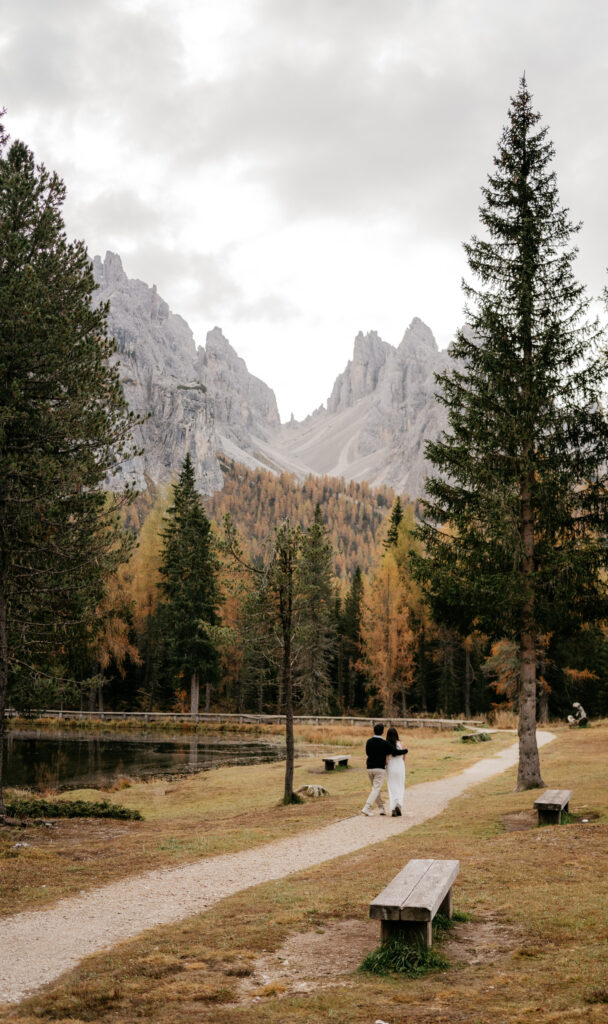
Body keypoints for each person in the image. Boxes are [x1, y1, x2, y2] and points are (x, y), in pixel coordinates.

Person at [361, 723, 407, 816]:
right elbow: (395, 751)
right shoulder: (385, 743)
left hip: (369, 767)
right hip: (380, 768)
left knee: (375, 789)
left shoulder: (368, 741)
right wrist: (405, 751)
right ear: (382, 732)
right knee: (377, 789)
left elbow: (367, 753)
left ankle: (381, 808)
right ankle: (367, 807)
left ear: (373, 731)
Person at [385, 726, 406, 816]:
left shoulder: (387, 745)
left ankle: (393, 808)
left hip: (391, 766)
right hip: (400, 766)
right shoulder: (402, 744)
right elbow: (404, 757)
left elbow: (386, 760)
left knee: (391, 787)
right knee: (400, 786)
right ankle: (399, 804)